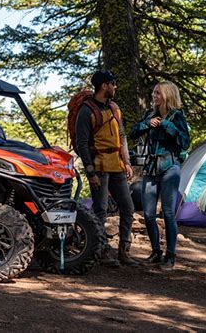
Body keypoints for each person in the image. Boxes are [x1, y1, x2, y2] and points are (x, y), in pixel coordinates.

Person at [76, 70, 138, 267]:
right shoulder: (86, 111)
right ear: (104, 86)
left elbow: (122, 136)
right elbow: (82, 143)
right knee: (100, 210)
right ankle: (102, 251)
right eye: (113, 83)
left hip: (117, 165)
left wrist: (127, 162)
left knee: (127, 207)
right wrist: (90, 172)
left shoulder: (114, 108)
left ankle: (124, 251)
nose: (115, 87)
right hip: (99, 166)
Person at [130, 81, 190, 269]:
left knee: (168, 212)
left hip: (170, 167)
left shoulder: (177, 116)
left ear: (167, 95)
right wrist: (147, 124)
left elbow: (184, 141)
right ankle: (156, 251)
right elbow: (133, 132)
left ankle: (170, 256)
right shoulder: (150, 114)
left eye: (157, 93)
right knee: (148, 213)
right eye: (154, 93)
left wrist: (165, 124)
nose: (154, 96)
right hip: (150, 168)